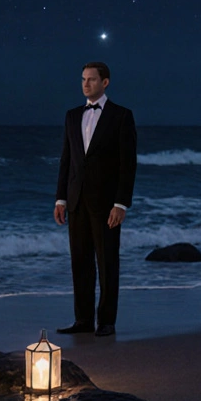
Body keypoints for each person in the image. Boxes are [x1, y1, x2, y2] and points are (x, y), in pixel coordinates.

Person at [53, 61, 137, 337]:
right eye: (83, 79)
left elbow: (128, 164)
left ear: (105, 82)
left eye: (91, 79)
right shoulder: (72, 115)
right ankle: (83, 320)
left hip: (106, 203)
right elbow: (67, 160)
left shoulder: (121, 116)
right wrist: (60, 199)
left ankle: (107, 321)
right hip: (76, 201)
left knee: (107, 262)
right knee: (80, 262)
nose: (85, 84)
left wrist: (121, 203)